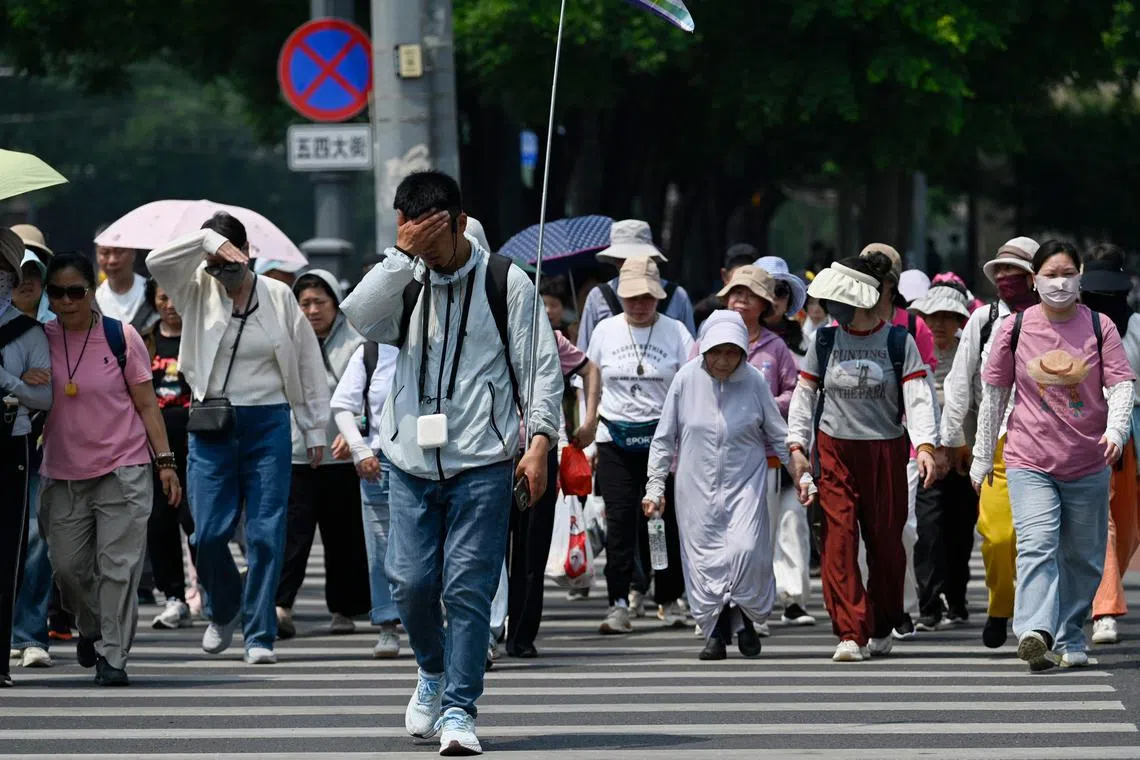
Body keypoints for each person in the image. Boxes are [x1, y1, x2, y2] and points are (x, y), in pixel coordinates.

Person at [339, 171, 561, 756]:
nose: (430, 259)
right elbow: (358, 318)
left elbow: (541, 368)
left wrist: (539, 441)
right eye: (415, 241)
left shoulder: (504, 281)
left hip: (483, 462)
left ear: (461, 224)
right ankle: (431, 672)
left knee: (468, 589)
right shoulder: (404, 277)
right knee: (410, 583)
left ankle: (460, 709)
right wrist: (402, 255)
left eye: (436, 243)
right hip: (408, 461)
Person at [146, 212, 328, 666]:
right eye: (217, 264)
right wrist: (207, 243)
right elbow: (155, 260)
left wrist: (313, 425)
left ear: (249, 255)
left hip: (268, 421)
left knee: (267, 535)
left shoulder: (279, 295)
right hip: (212, 422)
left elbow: (306, 361)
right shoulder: (195, 289)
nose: (224, 273)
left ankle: (259, 633)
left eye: (232, 262)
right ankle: (223, 609)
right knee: (207, 533)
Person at [971, 240, 1134, 671]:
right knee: (1037, 544)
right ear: (1034, 279)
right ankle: (1034, 631)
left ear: (1079, 275)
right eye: (1050, 275)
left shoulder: (1101, 328)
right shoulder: (1014, 329)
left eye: (1066, 274)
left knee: (1083, 555)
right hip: (1030, 459)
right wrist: (983, 455)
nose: (1059, 283)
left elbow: (1120, 385)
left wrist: (1117, 428)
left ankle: (1070, 633)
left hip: (1088, 461)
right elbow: (994, 395)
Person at [38, 253, 181, 687]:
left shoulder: (123, 337)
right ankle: (92, 627)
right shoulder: (39, 339)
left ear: (91, 291)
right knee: (67, 568)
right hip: (63, 474)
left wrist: (165, 462)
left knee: (118, 566)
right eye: (57, 293)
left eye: (75, 292)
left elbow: (146, 405)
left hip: (125, 467)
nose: (66, 302)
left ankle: (113, 656)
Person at [787, 254, 938, 663]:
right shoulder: (824, 341)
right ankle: (850, 632)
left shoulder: (897, 341)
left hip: (885, 450)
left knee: (887, 544)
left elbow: (919, 398)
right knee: (838, 541)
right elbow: (804, 397)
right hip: (835, 450)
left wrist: (925, 447)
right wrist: (798, 447)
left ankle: (884, 619)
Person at [648, 310, 790, 660]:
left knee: (743, 551)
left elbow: (780, 435)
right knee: (704, 561)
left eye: (731, 352)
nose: (723, 360)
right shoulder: (684, 380)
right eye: (716, 352)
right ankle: (716, 632)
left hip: (747, 484)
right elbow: (664, 439)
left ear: (743, 351)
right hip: (694, 488)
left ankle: (743, 620)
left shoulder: (755, 381)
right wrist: (654, 488)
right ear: (704, 349)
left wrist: (804, 474)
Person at [940, 237, 1039, 648]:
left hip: (1051, 446)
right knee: (998, 538)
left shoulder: (1064, 319)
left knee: (1040, 541)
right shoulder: (984, 321)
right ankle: (1001, 608)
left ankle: (1038, 622)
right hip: (997, 443)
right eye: (999, 270)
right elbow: (959, 382)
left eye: (1013, 270)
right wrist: (955, 441)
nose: (1003, 277)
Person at [588, 254, 693, 635]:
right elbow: (591, 381)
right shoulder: (605, 331)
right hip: (614, 438)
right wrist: (588, 430)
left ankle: (667, 596)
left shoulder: (678, 333)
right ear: (620, 296)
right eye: (631, 297)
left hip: (661, 441)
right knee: (618, 522)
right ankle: (618, 601)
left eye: (647, 297)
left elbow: (689, 385)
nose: (639, 304)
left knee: (660, 521)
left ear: (659, 296)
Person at [708, 265, 814, 628]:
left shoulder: (776, 347)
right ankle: (716, 605)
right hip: (717, 457)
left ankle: (756, 608)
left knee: (760, 534)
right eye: (736, 293)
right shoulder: (705, 341)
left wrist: (764, 404)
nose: (740, 300)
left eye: (749, 295)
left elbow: (796, 392)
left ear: (764, 305)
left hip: (766, 457)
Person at [275, 270, 369, 639]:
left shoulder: (358, 341)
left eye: (320, 302)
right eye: (305, 303)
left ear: (336, 304)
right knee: (294, 535)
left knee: (343, 536)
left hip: (342, 456)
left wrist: (355, 431)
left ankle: (344, 608)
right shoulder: (287, 339)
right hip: (297, 453)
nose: (312, 310)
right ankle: (281, 605)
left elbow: (369, 394)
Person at [855, 244, 939, 638]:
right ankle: (869, 604)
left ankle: (901, 605)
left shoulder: (913, 326)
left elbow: (923, 390)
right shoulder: (842, 325)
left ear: (892, 283)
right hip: (853, 441)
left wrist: (927, 444)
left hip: (900, 444)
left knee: (901, 527)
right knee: (858, 531)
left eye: (880, 278)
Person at [506, 328, 600, 657]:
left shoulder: (549, 336)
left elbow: (590, 369)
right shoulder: (481, 325)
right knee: (487, 549)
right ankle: (484, 631)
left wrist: (589, 421)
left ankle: (521, 634)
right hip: (489, 453)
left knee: (532, 547)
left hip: (539, 450)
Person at [1078, 244, 1140, 647]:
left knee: (1128, 525)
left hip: (1132, 428)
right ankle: (1104, 607)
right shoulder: (1076, 324)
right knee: (1106, 521)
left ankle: (1098, 588)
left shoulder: (1135, 325)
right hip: (1089, 428)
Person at [907, 282, 978, 630]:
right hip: (927, 456)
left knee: (961, 532)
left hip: (965, 455)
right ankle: (929, 604)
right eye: (934, 317)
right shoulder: (915, 352)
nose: (940, 325)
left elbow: (976, 403)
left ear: (959, 321)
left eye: (948, 318)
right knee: (929, 529)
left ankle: (958, 600)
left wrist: (963, 445)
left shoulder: (970, 353)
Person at [0, 230, 52, 687]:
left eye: (4, 273)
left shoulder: (28, 331)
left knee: (10, 550)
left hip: (12, 444)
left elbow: (47, 395)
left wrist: (9, 383)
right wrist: (18, 380)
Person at [330, 338, 402, 657]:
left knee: (431, 544)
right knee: (381, 547)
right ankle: (388, 624)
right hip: (379, 463)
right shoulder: (370, 351)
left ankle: (434, 622)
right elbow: (343, 405)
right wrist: (360, 450)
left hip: (431, 461)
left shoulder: (436, 343)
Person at [144, 280, 198, 630]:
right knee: (160, 522)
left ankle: (207, 588)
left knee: (198, 524)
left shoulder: (201, 337)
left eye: (176, 297)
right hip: (154, 446)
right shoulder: (143, 340)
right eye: (163, 297)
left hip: (198, 445)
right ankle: (174, 597)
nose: (170, 305)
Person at [576, 219, 696, 350]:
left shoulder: (677, 296)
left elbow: (690, 355)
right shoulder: (598, 297)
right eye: (623, 258)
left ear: (650, 259)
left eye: (637, 256)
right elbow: (585, 354)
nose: (631, 264)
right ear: (615, 260)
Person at [95, 245, 158, 335]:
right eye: (105, 253)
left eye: (119, 252)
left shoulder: (155, 294)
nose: (112, 260)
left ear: (133, 253)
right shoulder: (93, 300)